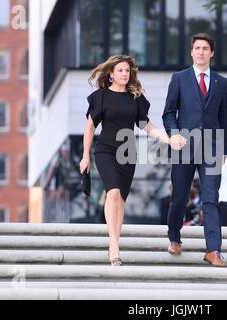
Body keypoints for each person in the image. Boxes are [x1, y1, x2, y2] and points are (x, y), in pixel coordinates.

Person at [79, 55, 177, 266]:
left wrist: (168, 139)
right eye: (120, 70)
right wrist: (85, 156)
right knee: (112, 194)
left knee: (121, 201)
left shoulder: (135, 98)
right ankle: (114, 246)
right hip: (105, 150)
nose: (125, 74)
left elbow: (147, 126)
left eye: (127, 71)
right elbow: (90, 128)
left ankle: (115, 242)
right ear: (111, 74)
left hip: (127, 152)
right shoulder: (100, 96)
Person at [162, 33, 227, 267]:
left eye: (205, 48)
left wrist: (224, 150)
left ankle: (213, 250)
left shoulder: (222, 82)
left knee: (211, 199)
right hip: (184, 146)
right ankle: (174, 237)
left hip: (212, 147)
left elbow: (224, 118)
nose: (200, 52)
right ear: (191, 52)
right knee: (179, 196)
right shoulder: (179, 78)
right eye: (197, 48)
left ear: (211, 53)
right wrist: (175, 134)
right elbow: (169, 113)